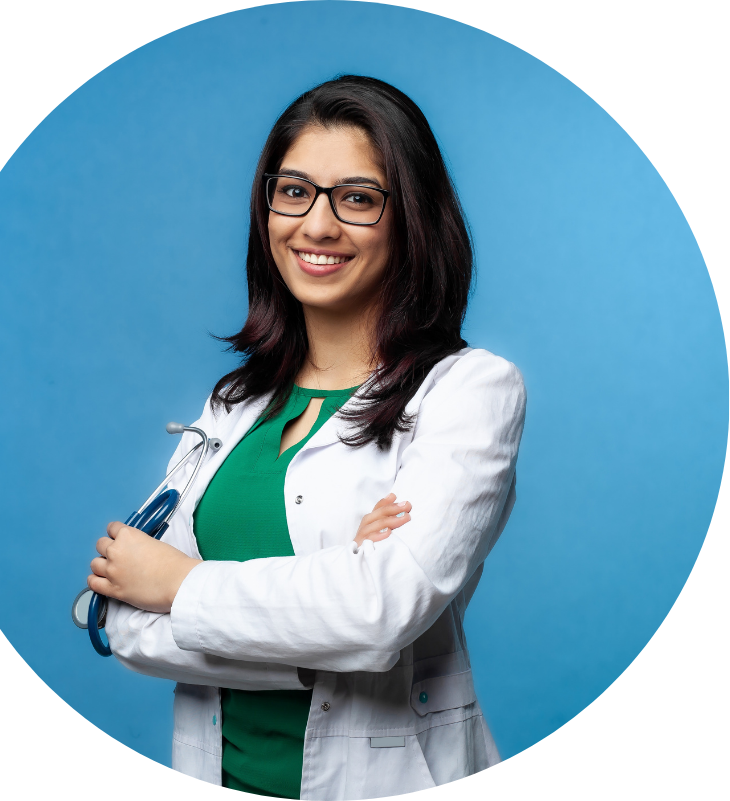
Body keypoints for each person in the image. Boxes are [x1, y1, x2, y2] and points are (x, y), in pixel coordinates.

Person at [87, 75, 526, 799]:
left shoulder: (470, 390)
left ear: (410, 216)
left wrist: (179, 585)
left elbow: (379, 614)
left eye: (356, 198)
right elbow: (122, 621)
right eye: (293, 191)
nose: (316, 226)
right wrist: (330, 609)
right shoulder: (233, 403)